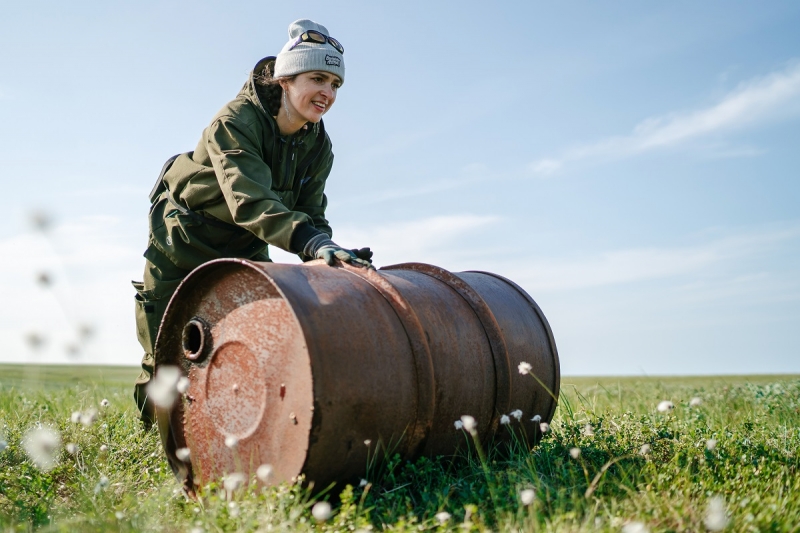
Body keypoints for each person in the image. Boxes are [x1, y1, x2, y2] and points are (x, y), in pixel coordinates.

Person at [132, 19, 371, 427]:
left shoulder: (318, 143)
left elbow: (312, 213)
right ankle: (156, 441)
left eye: (335, 84)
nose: (328, 93)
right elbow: (251, 201)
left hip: (246, 240)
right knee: (167, 350)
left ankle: (227, 436)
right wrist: (310, 242)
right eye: (318, 78)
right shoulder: (235, 121)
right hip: (185, 234)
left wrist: (327, 254)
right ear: (284, 79)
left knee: (247, 341)